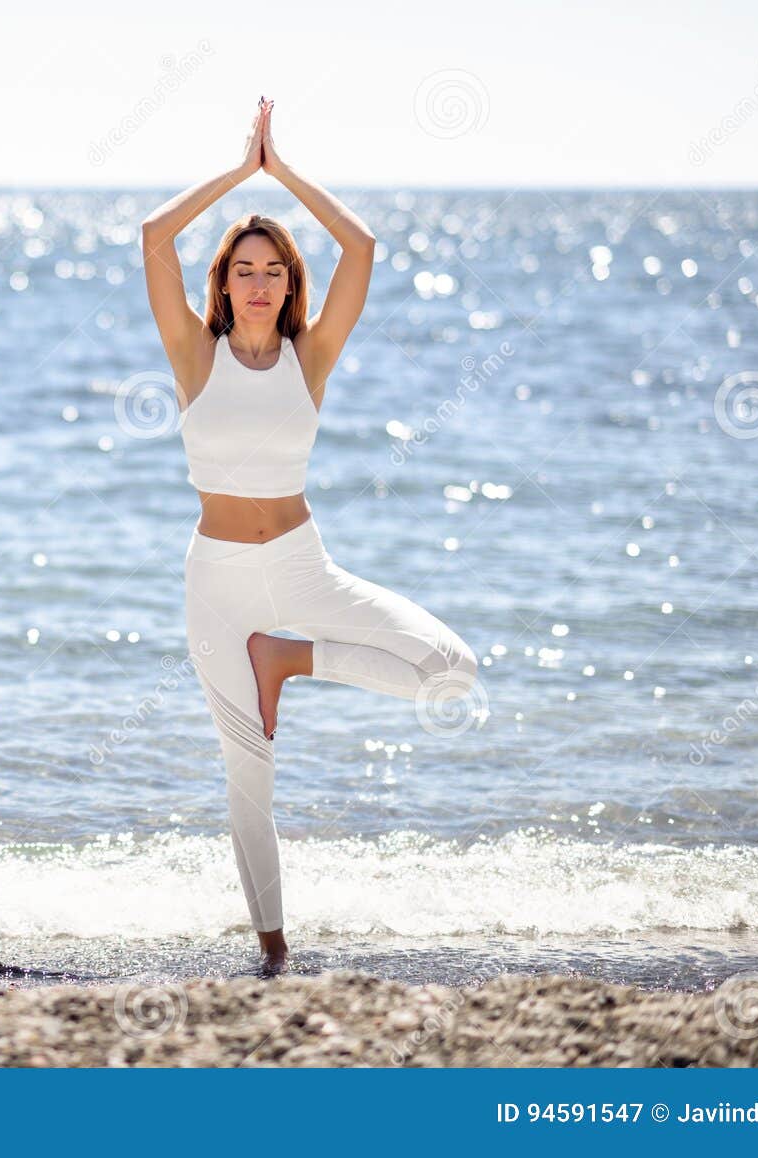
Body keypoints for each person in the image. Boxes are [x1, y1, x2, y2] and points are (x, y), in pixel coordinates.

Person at [140, 98, 483, 975]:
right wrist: (237, 171)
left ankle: (290, 659)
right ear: (223, 283)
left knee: (452, 675)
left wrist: (282, 172)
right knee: (247, 779)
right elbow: (152, 235)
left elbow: (362, 247)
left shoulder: (311, 357)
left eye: (275, 270)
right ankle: (274, 950)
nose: (258, 283)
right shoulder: (193, 354)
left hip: (303, 569)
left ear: (292, 284)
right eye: (243, 268)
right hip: (217, 581)